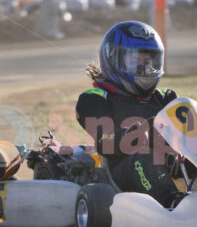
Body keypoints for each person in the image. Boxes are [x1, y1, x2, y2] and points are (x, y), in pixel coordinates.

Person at [76, 21, 188, 209]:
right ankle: (172, 203)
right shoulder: (95, 98)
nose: (144, 68)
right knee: (145, 156)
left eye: (148, 62)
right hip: (122, 173)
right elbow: (106, 141)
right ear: (114, 58)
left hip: (170, 164)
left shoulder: (166, 97)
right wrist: (135, 135)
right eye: (136, 61)